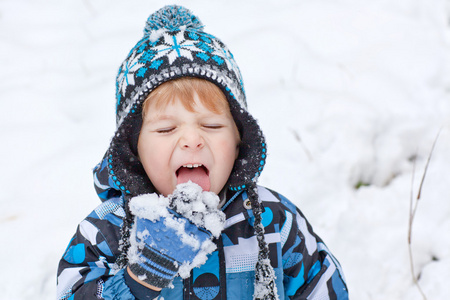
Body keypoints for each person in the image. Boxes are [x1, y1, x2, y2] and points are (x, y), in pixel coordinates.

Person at [57, 5, 348, 300]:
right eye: (166, 129)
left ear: (239, 140)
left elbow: (322, 287)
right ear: (134, 150)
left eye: (211, 125)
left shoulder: (272, 220)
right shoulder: (107, 230)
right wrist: (138, 279)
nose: (192, 140)